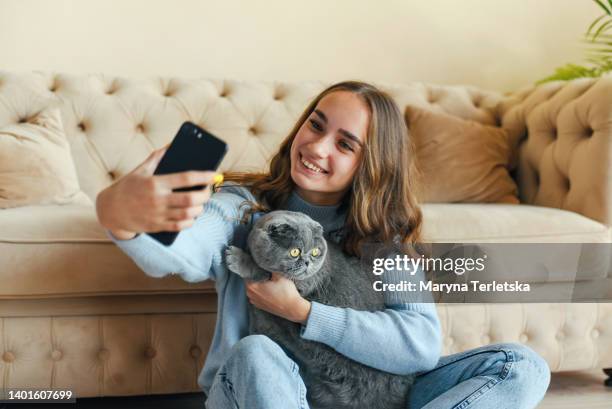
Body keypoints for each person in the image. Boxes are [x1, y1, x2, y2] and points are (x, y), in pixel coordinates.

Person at [95, 81, 551, 408]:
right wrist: (124, 217)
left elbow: (419, 345)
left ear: (370, 166)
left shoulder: (382, 238)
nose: (316, 146)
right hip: (272, 393)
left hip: (375, 396)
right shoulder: (243, 207)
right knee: (254, 353)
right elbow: (184, 253)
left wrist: (304, 314)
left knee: (522, 366)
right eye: (315, 125)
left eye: (345, 144)